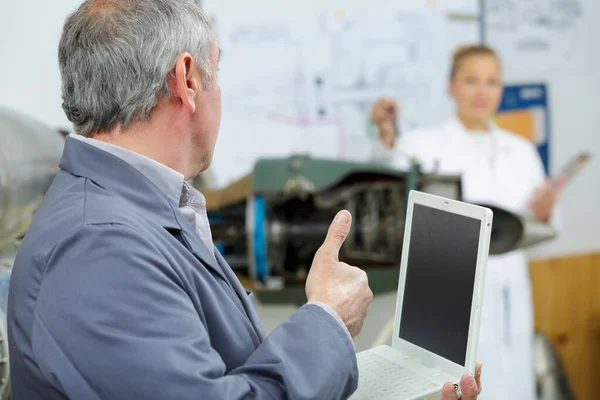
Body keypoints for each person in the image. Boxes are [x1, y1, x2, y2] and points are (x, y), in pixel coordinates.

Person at [7, 1, 481, 399]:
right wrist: (326, 322)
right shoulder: (100, 249)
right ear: (187, 80)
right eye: (218, 70)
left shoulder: (142, 211)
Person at [370, 45, 564, 400]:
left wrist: (546, 214)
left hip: (512, 289)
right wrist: (384, 141)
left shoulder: (522, 151)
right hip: (452, 294)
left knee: (515, 380)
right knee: (464, 384)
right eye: (471, 80)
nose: (482, 91)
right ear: (451, 86)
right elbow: (388, 193)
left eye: (491, 82)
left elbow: (546, 233)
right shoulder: (423, 145)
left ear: (501, 89)